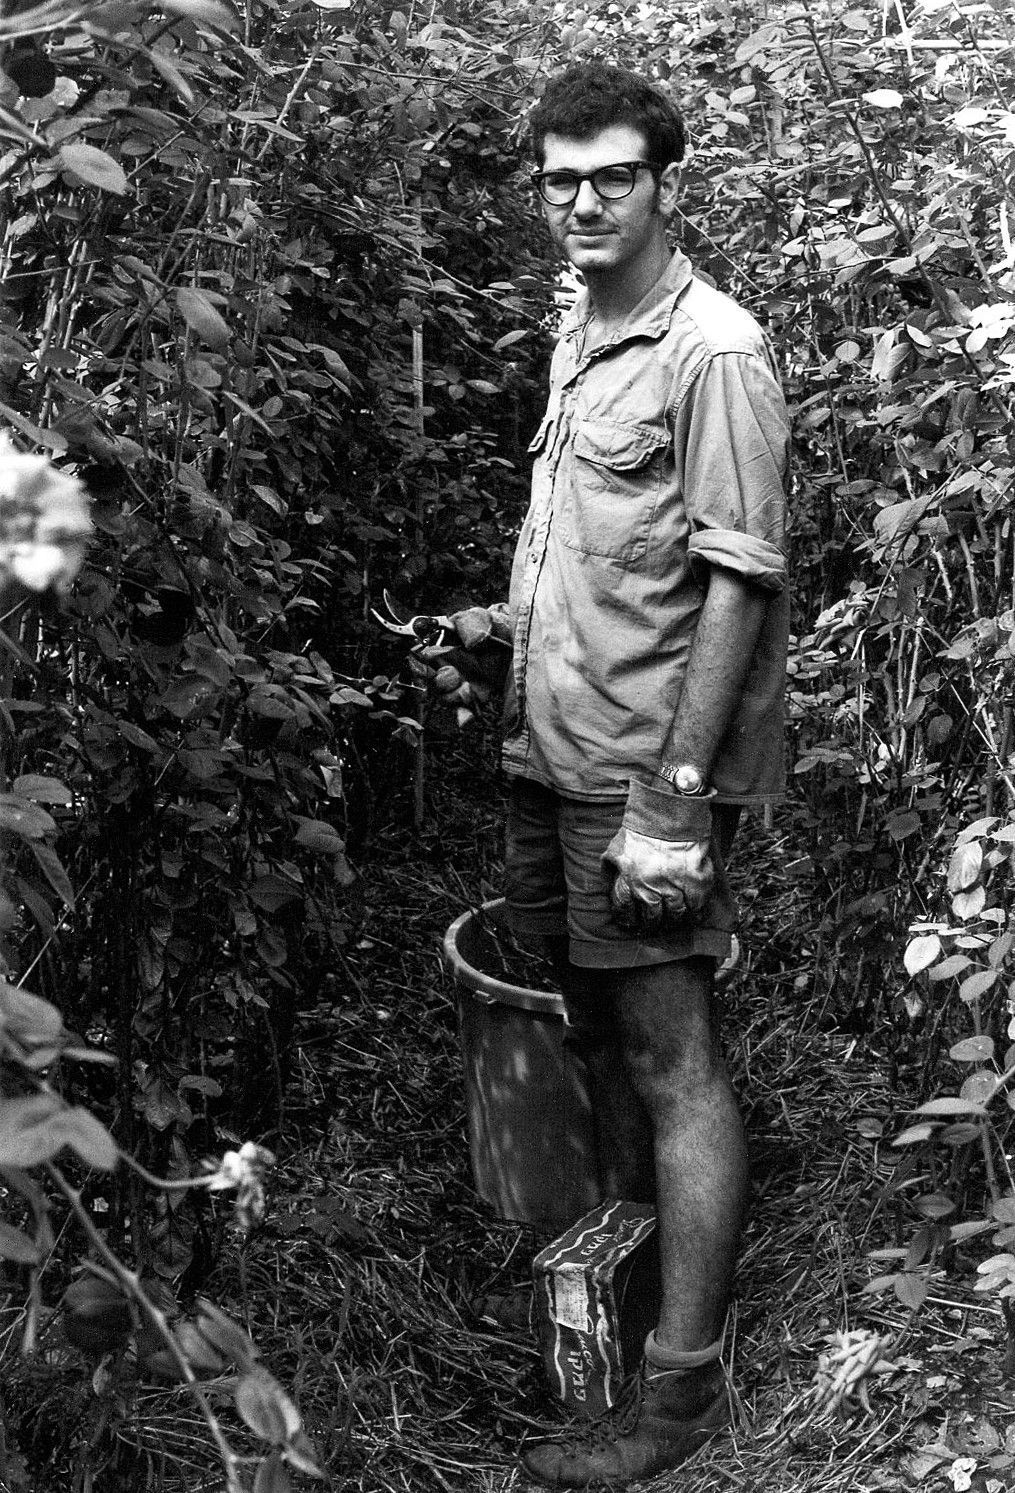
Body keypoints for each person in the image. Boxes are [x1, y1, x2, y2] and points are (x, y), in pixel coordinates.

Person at [428, 61, 790, 1489]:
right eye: (560, 180)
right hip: (550, 755)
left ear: (664, 183)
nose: (582, 202)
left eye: (612, 177)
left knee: (673, 1058)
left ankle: (680, 1395)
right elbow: (595, 565)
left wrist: (673, 796)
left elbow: (735, 589)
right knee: (599, 1039)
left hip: (638, 779)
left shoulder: (715, 352)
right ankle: (630, 1281)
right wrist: (498, 629)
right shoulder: (583, 328)